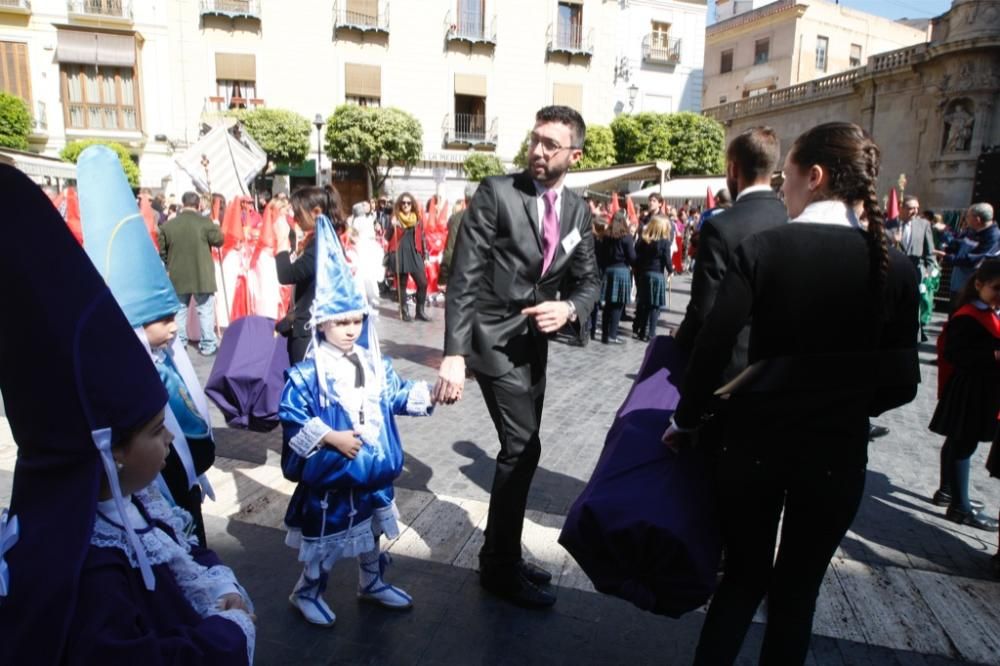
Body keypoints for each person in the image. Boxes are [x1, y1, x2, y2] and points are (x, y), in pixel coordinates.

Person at [664, 122, 920, 664]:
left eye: (790, 175)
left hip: (753, 444)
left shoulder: (765, 248)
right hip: (837, 454)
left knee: (740, 582)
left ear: (816, 176)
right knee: (797, 594)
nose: (782, 187)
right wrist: (846, 404)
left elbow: (712, 347)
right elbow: (903, 382)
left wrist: (687, 420)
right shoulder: (897, 266)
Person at [0, 164, 254, 665]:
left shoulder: (134, 504)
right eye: (158, 433)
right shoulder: (90, 571)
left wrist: (218, 585)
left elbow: (180, 548)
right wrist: (227, 634)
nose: (168, 444)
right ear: (110, 451)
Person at [435, 105, 600, 609]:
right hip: (491, 340)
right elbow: (463, 277)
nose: (538, 151)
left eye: (551, 144)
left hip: (533, 345)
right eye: (535, 140)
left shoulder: (576, 211)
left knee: (523, 452)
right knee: (522, 448)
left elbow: (589, 282)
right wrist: (453, 355)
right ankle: (499, 568)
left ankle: (501, 553)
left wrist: (569, 308)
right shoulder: (496, 193)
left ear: (574, 153)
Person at [279, 211, 433, 626]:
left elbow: (395, 393)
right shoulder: (309, 372)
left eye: (355, 320)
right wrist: (331, 437)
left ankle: (371, 582)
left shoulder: (373, 362)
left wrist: (431, 392)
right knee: (327, 539)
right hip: (334, 476)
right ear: (321, 323)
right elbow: (293, 416)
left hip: (373, 472)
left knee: (373, 534)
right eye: (339, 321)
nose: (349, 329)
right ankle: (306, 590)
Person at [79, 145, 217, 547]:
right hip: (150, 492)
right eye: (164, 320)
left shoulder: (164, 361)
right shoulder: (132, 380)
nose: (175, 326)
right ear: (134, 325)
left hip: (183, 481)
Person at [673, 126, 787, 384]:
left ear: (733, 169)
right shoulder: (790, 219)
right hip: (776, 366)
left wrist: (679, 338)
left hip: (730, 370)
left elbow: (704, 309)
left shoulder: (720, 227)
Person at [929, 259, 1000, 531]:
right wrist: (993, 355)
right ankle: (960, 507)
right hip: (971, 389)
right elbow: (954, 353)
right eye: (996, 288)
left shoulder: (985, 312)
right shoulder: (969, 315)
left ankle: (948, 490)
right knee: (963, 445)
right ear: (979, 284)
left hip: (978, 388)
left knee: (958, 440)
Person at [275, 186, 343, 364]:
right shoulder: (322, 239)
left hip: (310, 329)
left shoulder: (321, 244)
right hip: (310, 322)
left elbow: (287, 274)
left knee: (303, 384)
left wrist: (281, 240)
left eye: (298, 214)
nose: (295, 219)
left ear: (316, 212)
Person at [158, 191, 224, 356]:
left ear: (183, 203)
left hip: (178, 274)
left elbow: (163, 252)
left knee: (180, 311)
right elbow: (219, 241)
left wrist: (168, 265)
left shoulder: (168, 225)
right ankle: (208, 344)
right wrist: (216, 224)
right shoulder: (205, 223)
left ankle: (180, 344)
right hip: (202, 274)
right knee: (205, 310)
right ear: (198, 205)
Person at [944, 203, 999, 311]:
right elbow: (957, 243)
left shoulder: (993, 237)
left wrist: (947, 257)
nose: (966, 219)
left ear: (977, 219)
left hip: (972, 288)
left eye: (968, 216)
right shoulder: (971, 231)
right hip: (958, 284)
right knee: (954, 313)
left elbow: (973, 260)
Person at [385, 192, 431, 322]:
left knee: (422, 283)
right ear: (400, 205)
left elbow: (422, 237)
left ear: (412, 205)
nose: (406, 205)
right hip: (399, 253)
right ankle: (404, 311)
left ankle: (420, 311)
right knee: (402, 284)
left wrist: (426, 255)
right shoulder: (394, 218)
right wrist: (391, 226)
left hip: (415, 252)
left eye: (408, 203)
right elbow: (387, 237)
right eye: (403, 203)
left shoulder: (417, 218)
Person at [633, 215, 673, 341]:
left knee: (644, 304)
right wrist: (671, 271)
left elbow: (637, 255)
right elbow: (667, 259)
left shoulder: (644, 240)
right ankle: (651, 333)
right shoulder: (664, 242)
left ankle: (641, 331)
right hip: (657, 275)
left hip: (645, 275)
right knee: (654, 307)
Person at [599, 211, 636, 344]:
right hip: (621, 271)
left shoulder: (606, 236)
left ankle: (604, 334)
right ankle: (612, 335)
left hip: (608, 271)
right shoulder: (627, 237)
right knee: (618, 305)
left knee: (608, 305)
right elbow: (632, 257)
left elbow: (602, 256)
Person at [439, 183, 477, 288]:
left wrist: (444, 276)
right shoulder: (491, 217)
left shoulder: (458, 218)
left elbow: (450, 249)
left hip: (462, 273)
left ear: (465, 199)